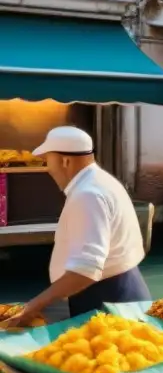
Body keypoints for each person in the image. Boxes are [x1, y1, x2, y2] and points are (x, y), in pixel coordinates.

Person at [1, 127, 150, 327]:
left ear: (65, 161)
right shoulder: (101, 181)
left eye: (48, 161)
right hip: (121, 289)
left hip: (107, 300)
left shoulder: (87, 195)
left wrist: (33, 306)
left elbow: (85, 270)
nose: (48, 169)